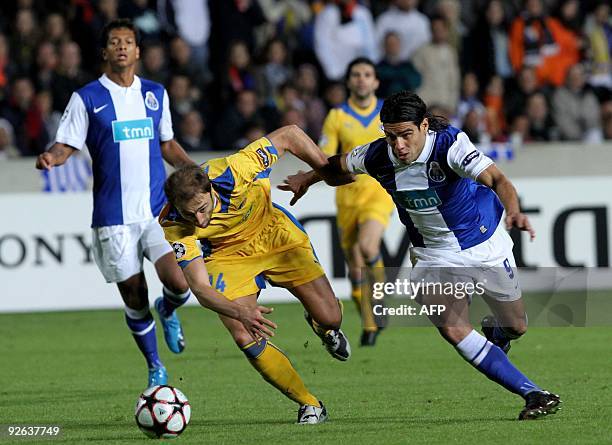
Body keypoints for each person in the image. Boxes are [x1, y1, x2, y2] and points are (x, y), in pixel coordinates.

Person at [280, 90, 562, 420]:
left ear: (424, 126)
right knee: (452, 328)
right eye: (391, 136)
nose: (398, 145)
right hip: (433, 256)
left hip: (483, 245)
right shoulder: (377, 155)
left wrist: (513, 210)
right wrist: (307, 179)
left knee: (517, 326)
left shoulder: (450, 146)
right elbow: (339, 166)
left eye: (406, 135)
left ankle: (499, 334)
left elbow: (497, 178)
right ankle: (533, 393)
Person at [35, 19, 195, 388]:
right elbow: (67, 144)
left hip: (157, 211)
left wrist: (196, 172)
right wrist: (51, 158)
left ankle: (169, 308)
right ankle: (155, 367)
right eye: (114, 42)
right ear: (105, 52)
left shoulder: (155, 93)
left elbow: (167, 144)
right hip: (113, 218)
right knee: (135, 297)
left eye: (128, 41)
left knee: (180, 281)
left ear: (138, 51)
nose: (121, 47)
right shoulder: (87, 98)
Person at [160, 124, 351, 424]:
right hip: (227, 255)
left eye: (201, 209)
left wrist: (321, 170)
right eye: (189, 214)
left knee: (331, 317)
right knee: (241, 330)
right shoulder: (173, 222)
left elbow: (289, 134)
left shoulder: (235, 170)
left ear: (209, 188)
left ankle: (321, 325)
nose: (197, 220)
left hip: (274, 234)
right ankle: (309, 404)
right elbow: (198, 286)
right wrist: (240, 312)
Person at [319, 57, 395, 346]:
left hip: (378, 190)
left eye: (367, 74)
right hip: (347, 196)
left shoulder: (387, 112)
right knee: (355, 270)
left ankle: (380, 299)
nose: (361, 79)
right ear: (349, 82)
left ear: (375, 81)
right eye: (356, 75)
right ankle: (369, 323)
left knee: (368, 246)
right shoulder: (337, 116)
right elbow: (325, 155)